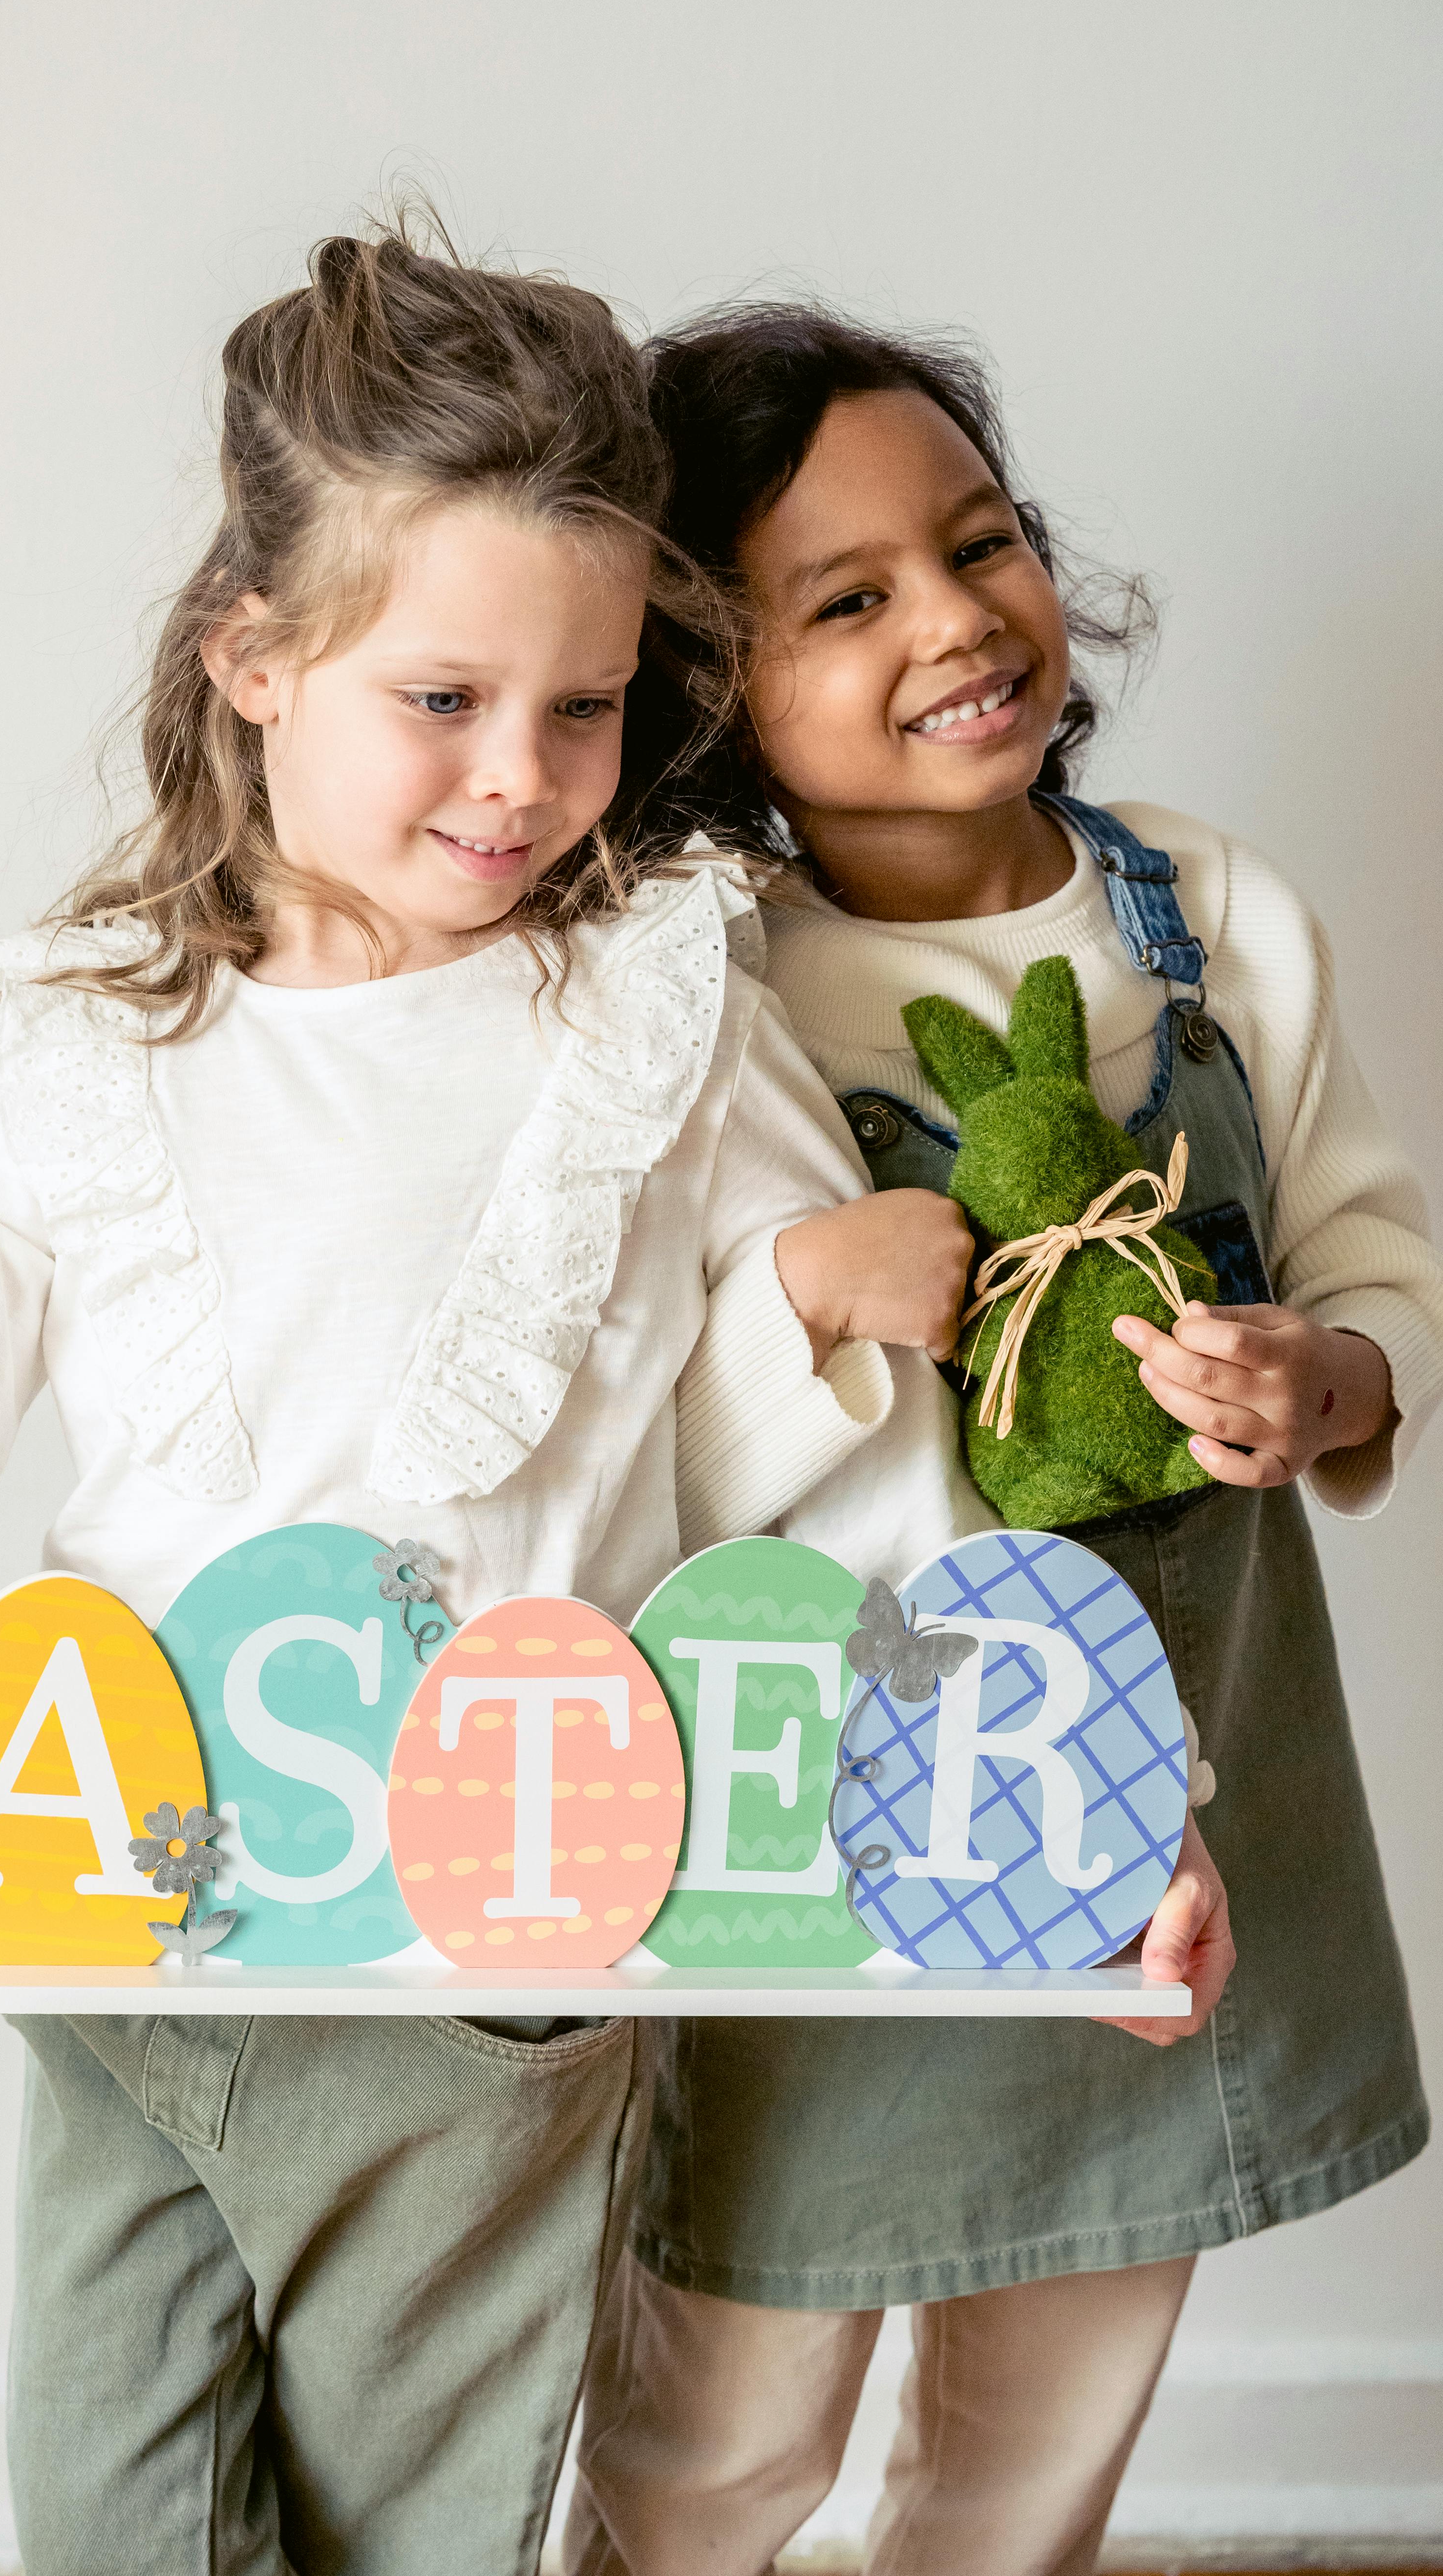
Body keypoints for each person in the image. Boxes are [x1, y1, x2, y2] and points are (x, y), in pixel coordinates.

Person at [0, 229, 923, 2576]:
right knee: (116, 2524)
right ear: (256, 662)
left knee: (408, 2536)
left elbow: (847, 1469)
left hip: (479, 1976)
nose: (522, 782)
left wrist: (1089, 1804)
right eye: (445, 698)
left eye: (583, 711)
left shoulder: (657, 1009)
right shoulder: (95, 1037)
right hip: (113, 1938)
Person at [571, 303, 1438, 2576]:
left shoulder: (1211, 917)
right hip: (823, 1809)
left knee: (1044, 2419)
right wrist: (805, 1299)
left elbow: (1375, 1260)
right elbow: (634, 1438)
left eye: (983, 545)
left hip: (1176, 1786)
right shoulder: (701, 994)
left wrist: (1322, 1378)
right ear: (705, 688)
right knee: (718, 2432)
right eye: (844, 600)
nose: (956, 621)